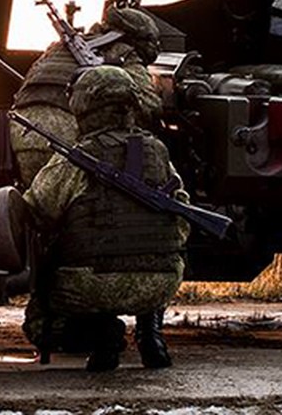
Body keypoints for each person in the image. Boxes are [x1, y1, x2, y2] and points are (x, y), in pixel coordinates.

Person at [22, 64, 189, 371]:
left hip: (91, 284)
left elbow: (36, 211)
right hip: (161, 283)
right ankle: (150, 333)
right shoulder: (158, 152)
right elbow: (181, 217)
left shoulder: (75, 158)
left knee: (40, 325)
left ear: (83, 106)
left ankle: (104, 336)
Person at [9, 0, 163, 187]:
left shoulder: (57, 48)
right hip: (67, 142)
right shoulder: (123, 51)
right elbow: (150, 107)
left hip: (21, 133)